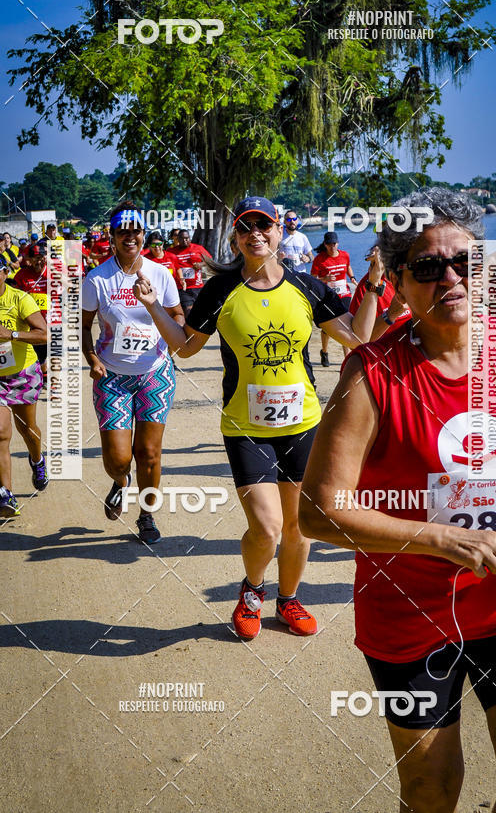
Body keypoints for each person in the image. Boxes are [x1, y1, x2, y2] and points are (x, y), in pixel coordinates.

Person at [300, 187, 496, 813]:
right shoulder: (371, 375)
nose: (450, 277)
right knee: (430, 791)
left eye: (465, 262)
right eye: (427, 266)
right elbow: (318, 511)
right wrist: (445, 539)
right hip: (410, 613)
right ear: (397, 281)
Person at [133, 196, 383, 639]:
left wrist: (376, 286)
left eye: (264, 226)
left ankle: (288, 599)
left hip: (303, 423)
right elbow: (186, 348)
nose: (256, 234)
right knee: (266, 527)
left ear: (279, 232)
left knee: (299, 526)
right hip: (247, 428)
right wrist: (154, 306)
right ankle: (252, 591)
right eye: (246, 227)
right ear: (236, 236)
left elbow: (358, 340)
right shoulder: (221, 291)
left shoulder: (307, 287)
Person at [81, 202, 183, 544]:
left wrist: (166, 332)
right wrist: (91, 357)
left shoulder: (160, 273)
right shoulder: (97, 279)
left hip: (154, 372)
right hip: (111, 376)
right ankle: (120, 481)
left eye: (136, 231)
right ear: (111, 236)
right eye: (122, 232)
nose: (130, 237)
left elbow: (178, 317)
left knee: (150, 454)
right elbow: (83, 327)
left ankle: (147, 515)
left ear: (143, 234)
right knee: (118, 459)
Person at [0, 251, 49, 516]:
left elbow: (43, 334)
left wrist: (12, 334)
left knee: (27, 429)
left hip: (22, 374)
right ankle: (6, 495)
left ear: (5, 273)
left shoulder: (20, 298)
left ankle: (37, 459)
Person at [311, 231, 357, 365]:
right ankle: (324, 352)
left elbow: (348, 267)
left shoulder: (345, 255)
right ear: (325, 244)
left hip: (344, 294)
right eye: (330, 244)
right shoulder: (320, 259)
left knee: (346, 326)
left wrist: (352, 278)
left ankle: (347, 359)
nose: (333, 247)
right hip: (328, 295)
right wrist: (324, 279)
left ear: (338, 243)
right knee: (327, 328)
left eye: (335, 244)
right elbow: (312, 278)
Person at [349, 244, 410, 333]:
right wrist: (389, 315)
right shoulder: (365, 287)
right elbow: (359, 339)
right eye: (373, 259)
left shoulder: (406, 278)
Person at [14, 245, 49, 384]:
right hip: (32, 322)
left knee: (50, 352)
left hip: (53, 320)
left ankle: (46, 377)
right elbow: (13, 295)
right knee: (38, 351)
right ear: (29, 259)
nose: (38, 261)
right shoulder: (22, 275)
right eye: (35, 258)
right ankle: (41, 376)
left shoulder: (54, 272)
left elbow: (71, 289)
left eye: (41, 258)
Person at [166, 229, 212, 318]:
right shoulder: (171, 251)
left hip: (197, 286)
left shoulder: (198, 248)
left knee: (201, 311)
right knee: (188, 310)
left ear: (189, 238)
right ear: (178, 240)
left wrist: (200, 264)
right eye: (182, 239)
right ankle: (189, 330)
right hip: (182, 287)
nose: (185, 240)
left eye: (187, 238)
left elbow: (209, 260)